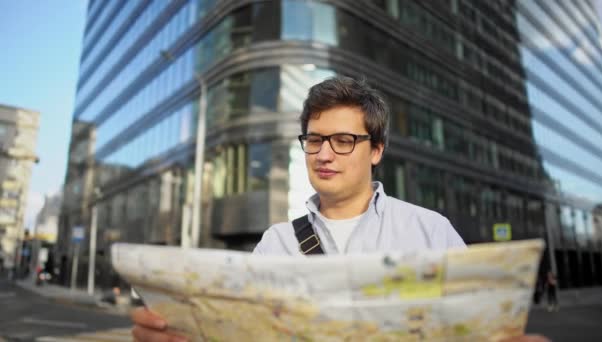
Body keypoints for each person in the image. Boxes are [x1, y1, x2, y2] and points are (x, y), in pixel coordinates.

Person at [131, 76, 548, 342]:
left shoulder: (429, 230)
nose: (324, 154)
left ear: (376, 150)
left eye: (343, 140)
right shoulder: (276, 243)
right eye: (314, 140)